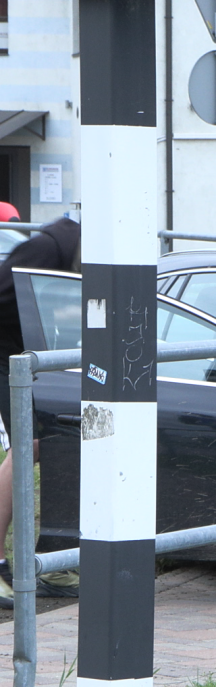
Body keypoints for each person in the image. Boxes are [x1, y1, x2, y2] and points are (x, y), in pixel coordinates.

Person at [0, 217, 83, 608]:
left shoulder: (72, 249)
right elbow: (10, 297)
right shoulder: (50, 247)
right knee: (29, 445)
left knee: (53, 443)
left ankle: (52, 562)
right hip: (8, 354)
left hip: (33, 352)